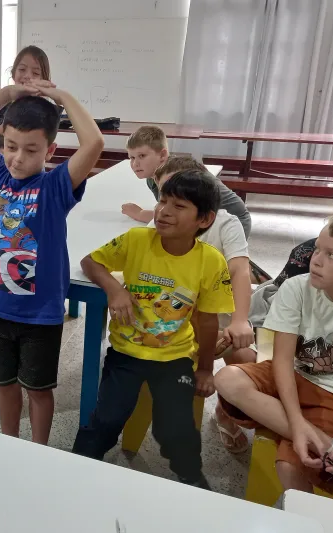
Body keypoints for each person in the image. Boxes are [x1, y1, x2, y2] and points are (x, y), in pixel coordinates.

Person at [215, 209, 333, 509]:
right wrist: (297, 423)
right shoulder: (296, 288)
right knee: (226, 377)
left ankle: (323, 494)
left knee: (289, 468)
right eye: (317, 249)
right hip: (294, 377)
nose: (316, 260)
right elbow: (283, 361)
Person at [0, 80, 104, 445]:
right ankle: (8, 444)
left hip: (39, 314)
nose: (17, 158)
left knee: (37, 390)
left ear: (50, 149)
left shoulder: (56, 186)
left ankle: (39, 451)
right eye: (10, 146)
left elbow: (95, 143)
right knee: (4, 384)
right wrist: (8, 94)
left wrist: (62, 97)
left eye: (31, 150)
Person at [72, 169, 233, 488]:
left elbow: (208, 319)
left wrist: (204, 370)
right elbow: (90, 261)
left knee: (178, 428)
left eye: (178, 206)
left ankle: (190, 475)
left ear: (204, 219)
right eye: (162, 201)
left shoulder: (211, 261)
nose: (164, 211)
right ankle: (78, 466)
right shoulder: (136, 239)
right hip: (125, 354)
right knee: (106, 418)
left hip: (175, 359)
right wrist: (113, 289)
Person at [147, 156, 255, 453]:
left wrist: (239, 320)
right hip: (174, 318)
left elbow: (240, 270)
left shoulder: (224, 222)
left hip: (216, 315)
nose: (169, 207)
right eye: (164, 195)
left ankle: (225, 411)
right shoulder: (158, 222)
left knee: (246, 359)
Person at [122, 126, 252, 238]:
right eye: (131, 157)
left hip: (232, 222)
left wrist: (139, 214)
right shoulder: (152, 177)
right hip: (204, 219)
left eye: (142, 156)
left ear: (162, 155)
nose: (135, 163)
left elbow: (173, 216)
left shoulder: (175, 176)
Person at [0, 46, 51, 138]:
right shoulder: (0, 105)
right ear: (13, 74)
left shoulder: (44, 112)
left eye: (35, 73)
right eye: (22, 69)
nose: (27, 76)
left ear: (44, 80)